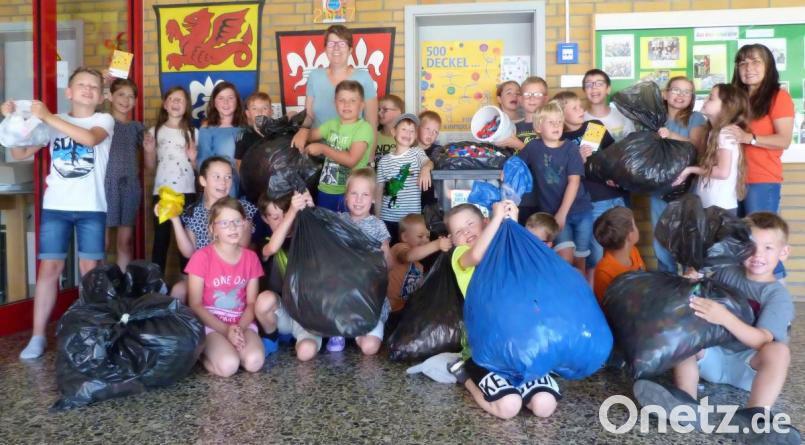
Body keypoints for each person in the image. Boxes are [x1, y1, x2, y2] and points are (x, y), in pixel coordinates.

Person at [633, 212, 799, 444]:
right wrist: (691, 280)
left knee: (779, 351)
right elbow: (700, 292)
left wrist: (724, 318)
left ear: (783, 252)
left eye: (768, 248)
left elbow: (762, 340)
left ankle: (754, 416)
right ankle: (685, 403)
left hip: (748, 369)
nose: (758, 255)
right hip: (713, 356)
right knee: (685, 332)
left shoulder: (777, 295)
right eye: (750, 246)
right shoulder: (726, 272)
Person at [2, 67, 114, 359]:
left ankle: (93, 334)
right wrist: (11, 119)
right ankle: (38, 336)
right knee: (49, 269)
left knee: (90, 271)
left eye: (94, 86)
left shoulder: (103, 120)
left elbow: (90, 140)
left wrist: (48, 117)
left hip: (92, 207)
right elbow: (18, 153)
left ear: (101, 96)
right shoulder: (51, 122)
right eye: (82, 85)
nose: (88, 90)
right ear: (69, 92)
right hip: (56, 207)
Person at [446, 202, 561, 420]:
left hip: (520, 347)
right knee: (509, 406)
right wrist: (498, 218)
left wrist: (512, 222)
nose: (466, 232)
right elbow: (477, 256)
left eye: (470, 224)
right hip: (483, 351)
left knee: (544, 405)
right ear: (453, 240)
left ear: (484, 223)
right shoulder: (460, 255)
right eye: (459, 231)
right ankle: (465, 375)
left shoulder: (504, 249)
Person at [729, 44, 795, 280]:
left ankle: (776, 297)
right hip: (731, 181)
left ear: (768, 66)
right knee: (740, 245)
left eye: (756, 61)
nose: (749, 68)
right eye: (743, 63)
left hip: (762, 180)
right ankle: (748, 297)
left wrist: (750, 138)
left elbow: (784, 139)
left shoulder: (778, 96)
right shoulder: (736, 98)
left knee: (762, 242)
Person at [186, 197, 269, 377]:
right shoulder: (201, 257)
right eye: (224, 223)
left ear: (244, 224)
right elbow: (195, 304)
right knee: (229, 365)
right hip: (211, 325)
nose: (232, 227)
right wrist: (225, 330)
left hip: (241, 323)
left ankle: (230, 349)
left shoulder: (251, 258)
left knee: (254, 361)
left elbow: (251, 303)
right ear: (212, 229)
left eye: (237, 221)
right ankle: (202, 356)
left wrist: (238, 329)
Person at [164, 156, 258, 301]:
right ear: (203, 181)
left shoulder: (242, 208)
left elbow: (242, 246)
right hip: (203, 275)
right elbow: (189, 253)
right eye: (217, 177)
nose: (223, 182)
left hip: (233, 275)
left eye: (228, 177)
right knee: (178, 290)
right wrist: (175, 220)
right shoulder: (193, 212)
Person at [517, 101, 593, 274]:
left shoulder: (570, 148)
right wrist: (507, 171)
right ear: (538, 127)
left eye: (559, 121)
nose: (556, 125)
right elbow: (517, 163)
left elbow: (574, 182)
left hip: (580, 210)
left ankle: (581, 290)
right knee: (565, 258)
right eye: (551, 122)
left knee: (581, 259)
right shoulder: (533, 147)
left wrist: (562, 214)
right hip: (552, 214)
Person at [325, 168, 392, 354]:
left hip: (369, 298)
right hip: (341, 293)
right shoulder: (338, 221)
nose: (359, 199)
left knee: (370, 348)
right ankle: (338, 328)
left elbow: (388, 265)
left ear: (373, 199)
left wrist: (383, 254)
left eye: (365, 194)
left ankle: (356, 333)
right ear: (346, 197)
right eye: (354, 193)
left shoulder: (378, 226)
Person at [553, 90, 622, 273]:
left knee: (623, 244)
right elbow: (562, 176)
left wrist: (617, 176)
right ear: (561, 114)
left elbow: (614, 154)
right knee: (597, 251)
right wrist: (578, 160)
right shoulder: (561, 140)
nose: (581, 110)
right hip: (593, 199)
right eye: (574, 108)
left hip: (615, 193)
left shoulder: (593, 126)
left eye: (580, 106)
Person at [253, 191, 325, 362]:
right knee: (264, 300)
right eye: (275, 217)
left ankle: (293, 337)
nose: (283, 220)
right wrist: (292, 212)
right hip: (282, 313)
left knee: (306, 353)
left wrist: (310, 210)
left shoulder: (307, 236)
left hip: (308, 317)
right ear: (265, 219)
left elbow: (325, 237)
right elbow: (272, 248)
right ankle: (272, 337)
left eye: (286, 214)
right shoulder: (265, 241)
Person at [290, 25, 378, 156]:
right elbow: (309, 115)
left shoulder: (363, 78)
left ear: (350, 49)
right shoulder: (315, 76)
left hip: (351, 154)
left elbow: (372, 122)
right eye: (331, 43)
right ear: (325, 49)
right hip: (316, 153)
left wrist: (370, 160)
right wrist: (303, 130)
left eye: (342, 43)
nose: (336, 48)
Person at [651, 76, 708, 273]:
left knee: (686, 233)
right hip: (658, 186)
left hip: (686, 184)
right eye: (676, 90)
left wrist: (671, 136)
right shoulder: (655, 118)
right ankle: (666, 278)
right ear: (665, 94)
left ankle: (688, 280)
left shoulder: (696, 118)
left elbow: (698, 147)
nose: (681, 95)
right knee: (660, 233)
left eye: (686, 92)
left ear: (692, 97)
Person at [672, 84, 750, 215]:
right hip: (712, 206)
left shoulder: (724, 133)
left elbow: (722, 172)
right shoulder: (714, 132)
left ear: (726, 107)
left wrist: (691, 170)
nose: (705, 100)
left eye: (711, 98)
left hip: (719, 208)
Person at [144, 86, 197, 276]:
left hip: (187, 192)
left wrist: (193, 158)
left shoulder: (193, 132)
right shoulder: (155, 131)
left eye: (180, 99)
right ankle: (157, 284)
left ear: (186, 106)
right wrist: (149, 151)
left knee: (187, 239)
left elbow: (197, 169)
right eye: (172, 99)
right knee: (161, 239)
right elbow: (150, 167)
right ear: (165, 105)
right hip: (162, 193)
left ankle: (187, 283)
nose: (175, 103)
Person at [301, 80, 374, 212]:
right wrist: (302, 129)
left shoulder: (364, 128)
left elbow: (351, 160)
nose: (347, 104)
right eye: (341, 100)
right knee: (325, 224)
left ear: (362, 105)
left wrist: (322, 148)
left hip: (351, 193)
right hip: (326, 189)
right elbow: (310, 136)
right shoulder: (331, 124)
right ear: (335, 103)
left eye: (353, 100)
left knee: (346, 225)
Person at [386, 214, 452, 333]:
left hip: (402, 309)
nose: (425, 240)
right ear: (405, 237)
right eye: (420, 236)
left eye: (427, 237)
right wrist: (437, 244)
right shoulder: (399, 248)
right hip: (387, 308)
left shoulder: (419, 265)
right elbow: (409, 256)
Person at [103, 78, 144, 270]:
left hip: (129, 187)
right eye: (121, 95)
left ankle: (122, 284)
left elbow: (149, 163)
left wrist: (150, 148)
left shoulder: (137, 127)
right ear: (110, 96)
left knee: (125, 242)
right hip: (104, 185)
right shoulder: (101, 123)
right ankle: (98, 283)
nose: (126, 100)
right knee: (101, 243)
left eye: (130, 96)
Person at [375, 113, 434, 244]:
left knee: (410, 252)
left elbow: (429, 163)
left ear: (415, 135)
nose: (408, 133)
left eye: (412, 131)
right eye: (404, 129)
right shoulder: (384, 161)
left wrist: (425, 169)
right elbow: (378, 192)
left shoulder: (417, 153)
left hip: (411, 221)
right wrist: (377, 219)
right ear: (393, 132)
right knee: (391, 252)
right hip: (387, 218)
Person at [197, 81, 244, 196]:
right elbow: (203, 162)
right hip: (220, 188)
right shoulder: (207, 129)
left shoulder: (245, 128)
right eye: (221, 98)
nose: (226, 102)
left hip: (245, 187)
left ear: (237, 101)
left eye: (230, 98)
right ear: (214, 102)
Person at [591, 207, 645, 303]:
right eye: (635, 225)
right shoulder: (603, 273)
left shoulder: (633, 251)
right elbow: (605, 306)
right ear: (630, 236)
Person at [582, 69, 635, 141]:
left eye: (599, 84)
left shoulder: (623, 116)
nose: (594, 87)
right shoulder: (579, 120)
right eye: (588, 85)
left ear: (608, 89)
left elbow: (633, 144)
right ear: (584, 91)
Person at [234, 91, 272, 173]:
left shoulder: (278, 133)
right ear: (248, 114)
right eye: (254, 108)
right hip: (254, 179)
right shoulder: (244, 136)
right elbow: (239, 163)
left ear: (271, 111)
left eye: (264, 108)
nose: (260, 112)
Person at [417, 110, 443, 212]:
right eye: (428, 129)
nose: (431, 134)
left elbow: (433, 160)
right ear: (417, 128)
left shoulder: (438, 150)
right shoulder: (408, 149)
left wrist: (426, 168)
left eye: (435, 132)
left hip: (431, 203)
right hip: (410, 202)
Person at [515, 76, 549, 145]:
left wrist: (517, 144)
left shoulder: (552, 125)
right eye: (527, 94)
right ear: (520, 99)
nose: (532, 98)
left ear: (545, 99)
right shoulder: (513, 128)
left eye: (538, 94)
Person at [495, 80, 526, 151]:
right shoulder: (493, 125)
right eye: (509, 93)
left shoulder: (529, 123)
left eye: (518, 93)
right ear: (499, 99)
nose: (514, 96)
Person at [375, 94, 404, 166]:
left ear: (399, 112)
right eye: (378, 109)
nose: (379, 113)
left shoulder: (405, 138)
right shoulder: (373, 136)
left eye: (385, 110)